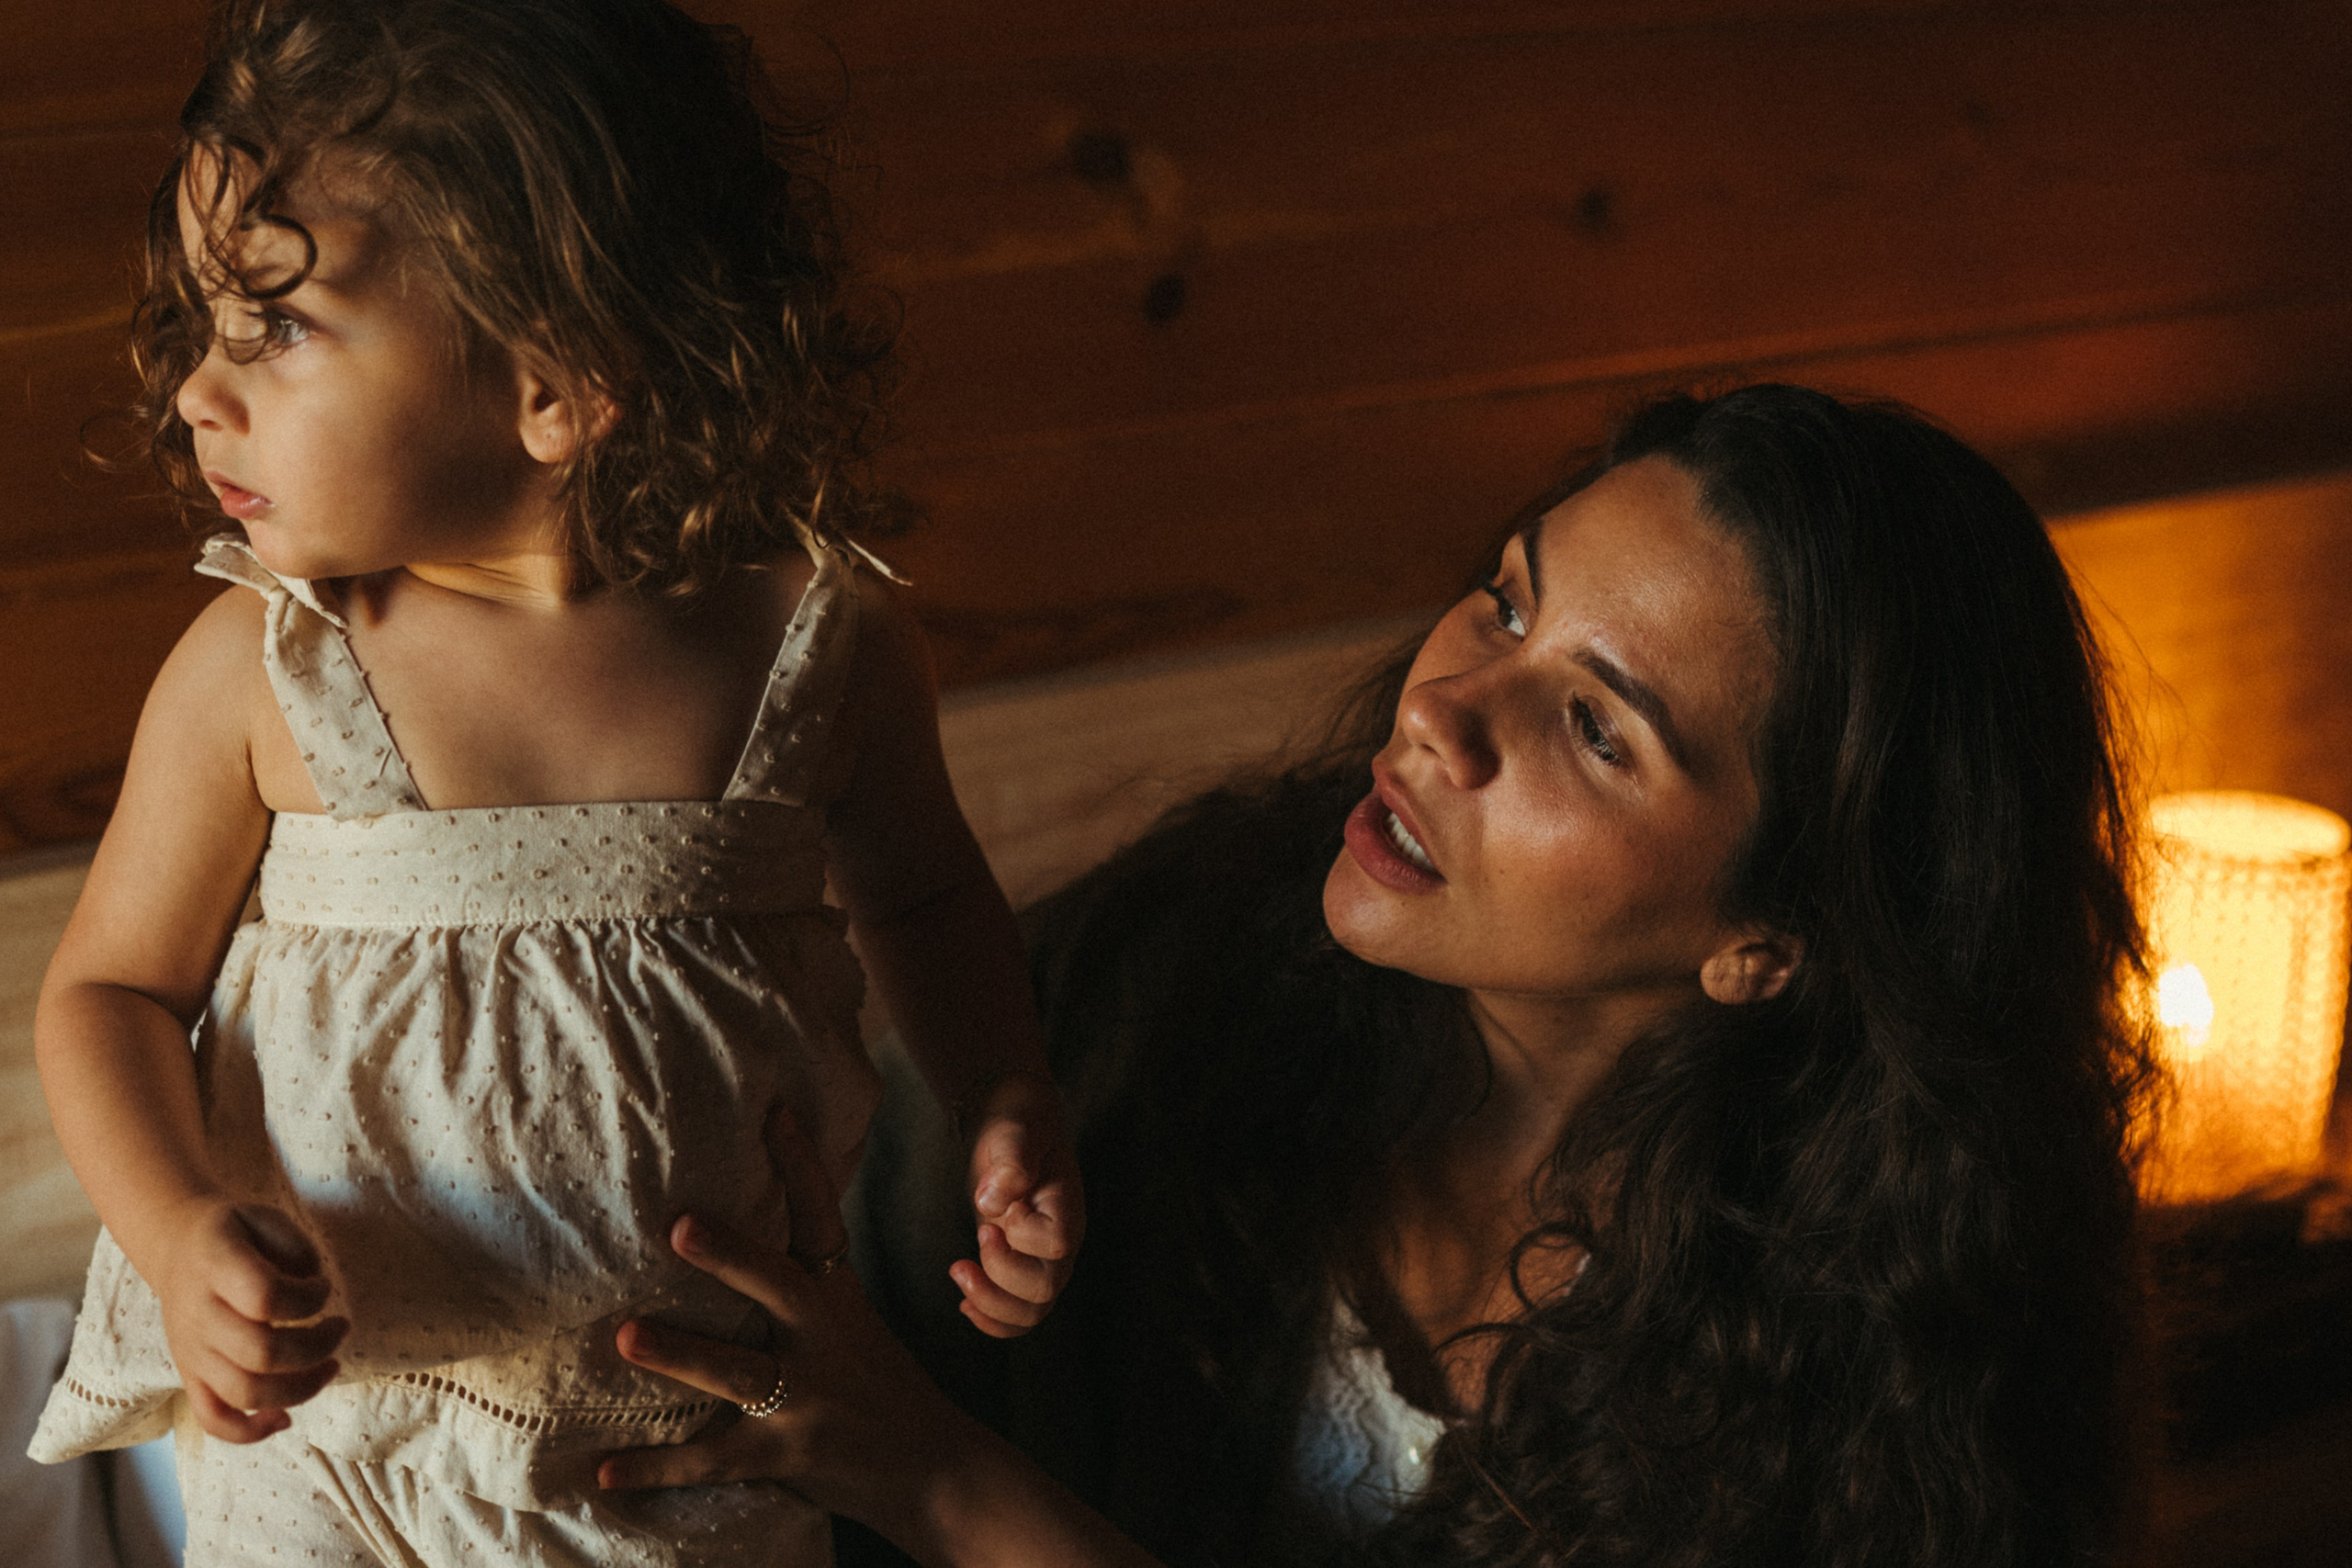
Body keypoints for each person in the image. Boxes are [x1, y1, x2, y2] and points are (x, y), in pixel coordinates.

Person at [602, 385, 2158, 1568]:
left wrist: (942, 1482)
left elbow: (903, 1452)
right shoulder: (1147, 992)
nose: (1447, 710)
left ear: (1769, 942)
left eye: (1597, 728)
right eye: (1509, 596)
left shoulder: (1896, 1391)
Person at [27, 2, 1080, 1563]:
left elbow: (925, 898)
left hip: (684, 1443)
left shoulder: (814, 646)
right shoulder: (268, 668)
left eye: (278, 328)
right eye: (203, 322)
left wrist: (1003, 1094)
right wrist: (178, 1232)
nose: (198, 389)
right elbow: (106, 992)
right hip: (336, 1440)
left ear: (557, 382)